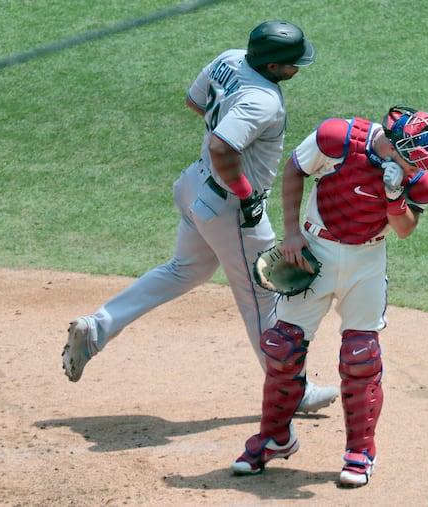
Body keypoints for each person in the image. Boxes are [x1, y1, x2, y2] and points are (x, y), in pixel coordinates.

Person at [61, 21, 338, 413]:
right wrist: (245, 194)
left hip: (196, 186)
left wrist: (228, 124)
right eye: (293, 64)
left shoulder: (230, 59)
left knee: (183, 271)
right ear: (274, 67)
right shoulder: (264, 101)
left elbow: (196, 103)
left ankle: (95, 329)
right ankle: (290, 390)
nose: (297, 69)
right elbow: (223, 147)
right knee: (262, 299)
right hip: (230, 208)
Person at [230, 105, 428, 487]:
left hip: (367, 260)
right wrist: (291, 233)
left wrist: (395, 192)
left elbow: (404, 229)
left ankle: (361, 451)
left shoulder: (419, 181)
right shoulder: (337, 140)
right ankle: (275, 438)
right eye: (416, 158)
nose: (423, 167)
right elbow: (294, 169)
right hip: (315, 248)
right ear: (395, 144)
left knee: (360, 355)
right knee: (282, 346)